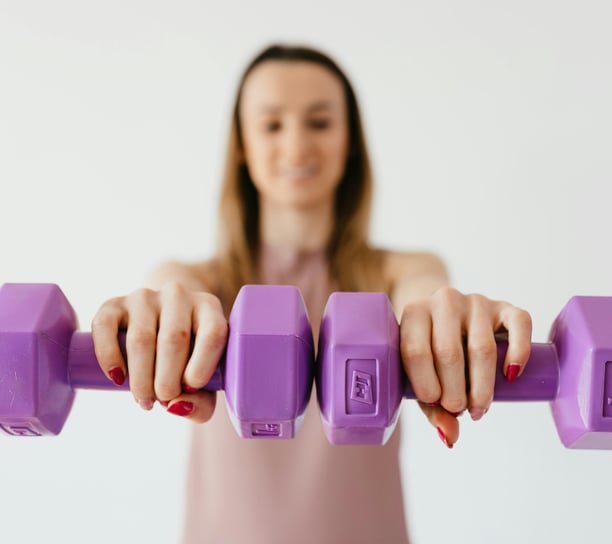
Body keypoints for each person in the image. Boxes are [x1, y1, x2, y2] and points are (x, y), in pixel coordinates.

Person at [91, 44, 533, 543]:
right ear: (242, 145)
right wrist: (161, 314)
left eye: (320, 123)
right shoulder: (198, 283)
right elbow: (173, 293)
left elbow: (424, 299)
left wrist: (443, 319)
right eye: (273, 124)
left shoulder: (403, 273)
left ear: (349, 142)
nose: (298, 146)